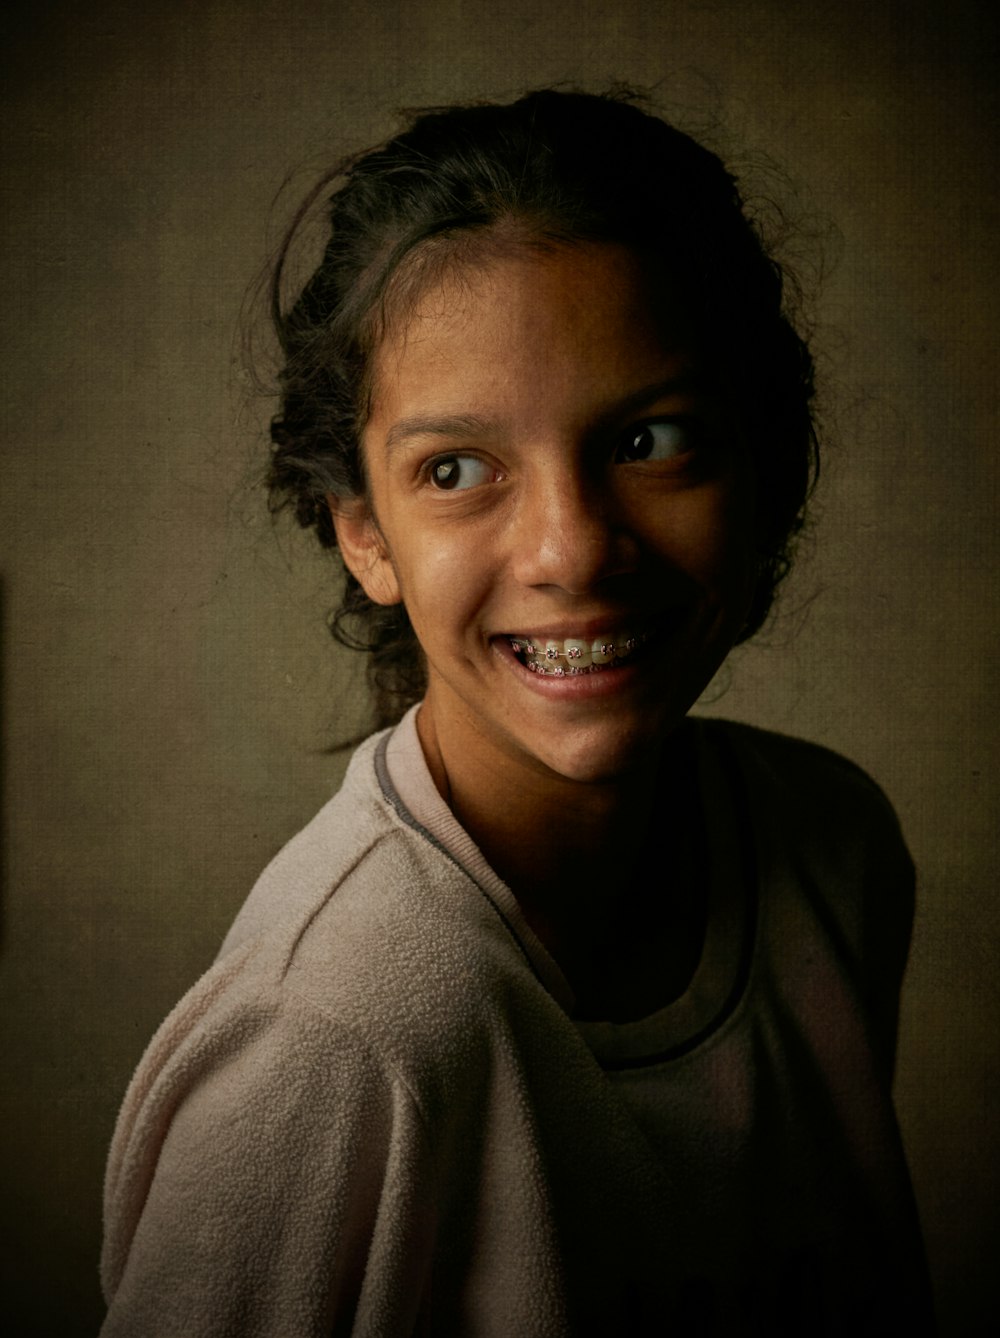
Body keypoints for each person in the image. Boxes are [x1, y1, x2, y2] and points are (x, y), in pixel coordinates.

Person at [100, 89, 934, 1335]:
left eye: (650, 438)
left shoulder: (829, 848)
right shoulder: (336, 1036)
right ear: (365, 536)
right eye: (455, 470)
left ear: (769, 469)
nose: (572, 549)